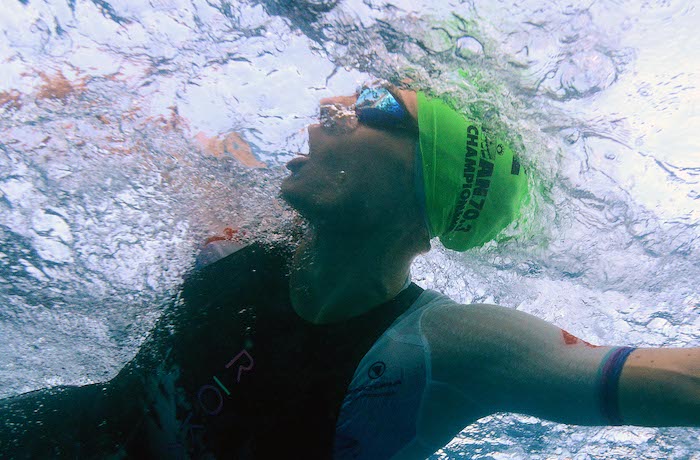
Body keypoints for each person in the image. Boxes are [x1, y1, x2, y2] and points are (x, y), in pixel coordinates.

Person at [1, 81, 698, 459]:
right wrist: (66, 98)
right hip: (75, 432)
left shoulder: (440, 350)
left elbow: (674, 382)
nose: (323, 117)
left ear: (428, 182)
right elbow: (151, 124)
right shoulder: (244, 231)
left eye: (375, 106)